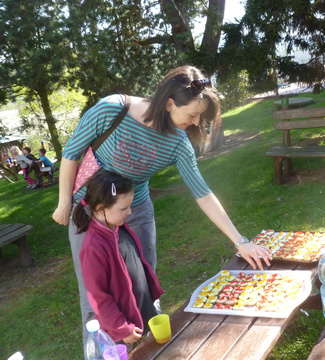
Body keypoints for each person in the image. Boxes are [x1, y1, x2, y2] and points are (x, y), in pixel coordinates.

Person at [52, 65, 273, 344]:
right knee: (93, 293)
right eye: (192, 114)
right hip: (89, 210)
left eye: (200, 117)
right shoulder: (110, 109)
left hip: (137, 210)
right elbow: (71, 154)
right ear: (169, 103)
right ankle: (102, 350)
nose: (195, 123)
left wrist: (240, 241)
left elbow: (202, 193)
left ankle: (150, 346)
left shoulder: (178, 143)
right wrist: (63, 202)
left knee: (143, 283)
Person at [73, 169, 163, 343]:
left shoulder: (117, 227)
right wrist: (121, 328)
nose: (129, 212)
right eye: (124, 208)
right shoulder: (93, 247)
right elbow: (98, 297)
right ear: (101, 209)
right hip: (125, 331)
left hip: (142, 313)